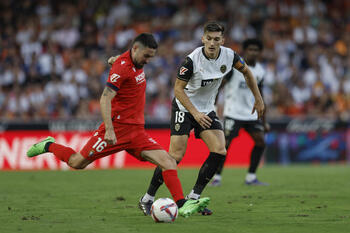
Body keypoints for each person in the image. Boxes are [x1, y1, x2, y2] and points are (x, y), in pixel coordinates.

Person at [26, 33, 210, 218]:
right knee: (77, 162)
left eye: (151, 57)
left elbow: (121, 60)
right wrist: (110, 130)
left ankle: (182, 204)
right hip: (117, 130)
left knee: (168, 161)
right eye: (146, 56)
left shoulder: (132, 61)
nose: (148, 61)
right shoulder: (122, 68)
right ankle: (49, 145)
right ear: (136, 48)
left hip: (137, 132)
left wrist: (113, 59)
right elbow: (105, 98)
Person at [133, 22, 264, 216]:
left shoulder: (230, 56)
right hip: (184, 107)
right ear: (203, 38)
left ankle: (194, 198)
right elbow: (178, 89)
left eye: (216, 39)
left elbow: (247, 72)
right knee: (175, 157)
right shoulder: (192, 60)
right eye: (209, 38)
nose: (212, 43)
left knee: (219, 150)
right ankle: (147, 198)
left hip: (206, 109)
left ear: (222, 40)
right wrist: (194, 113)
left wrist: (259, 98)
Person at [210, 38, 269, 187]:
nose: (253, 52)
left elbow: (260, 95)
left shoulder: (261, 71)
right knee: (225, 145)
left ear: (259, 52)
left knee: (261, 142)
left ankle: (251, 177)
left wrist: (264, 120)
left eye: (256, 50)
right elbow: (219, 86)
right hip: (233, 112)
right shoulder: (235, 67)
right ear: (245, 51)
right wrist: (214, 107)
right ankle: (216, 177)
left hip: (251, 113)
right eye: (250, 49)